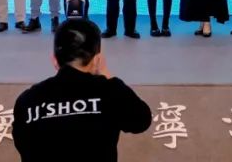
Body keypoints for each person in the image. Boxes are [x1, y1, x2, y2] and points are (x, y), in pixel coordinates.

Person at [12, 18, 152, 162]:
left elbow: (22, 146)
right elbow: (141, 121)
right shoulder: (112, 93)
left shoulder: (27, 100)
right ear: (97, 60)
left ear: (54, 60)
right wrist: (106, 74)